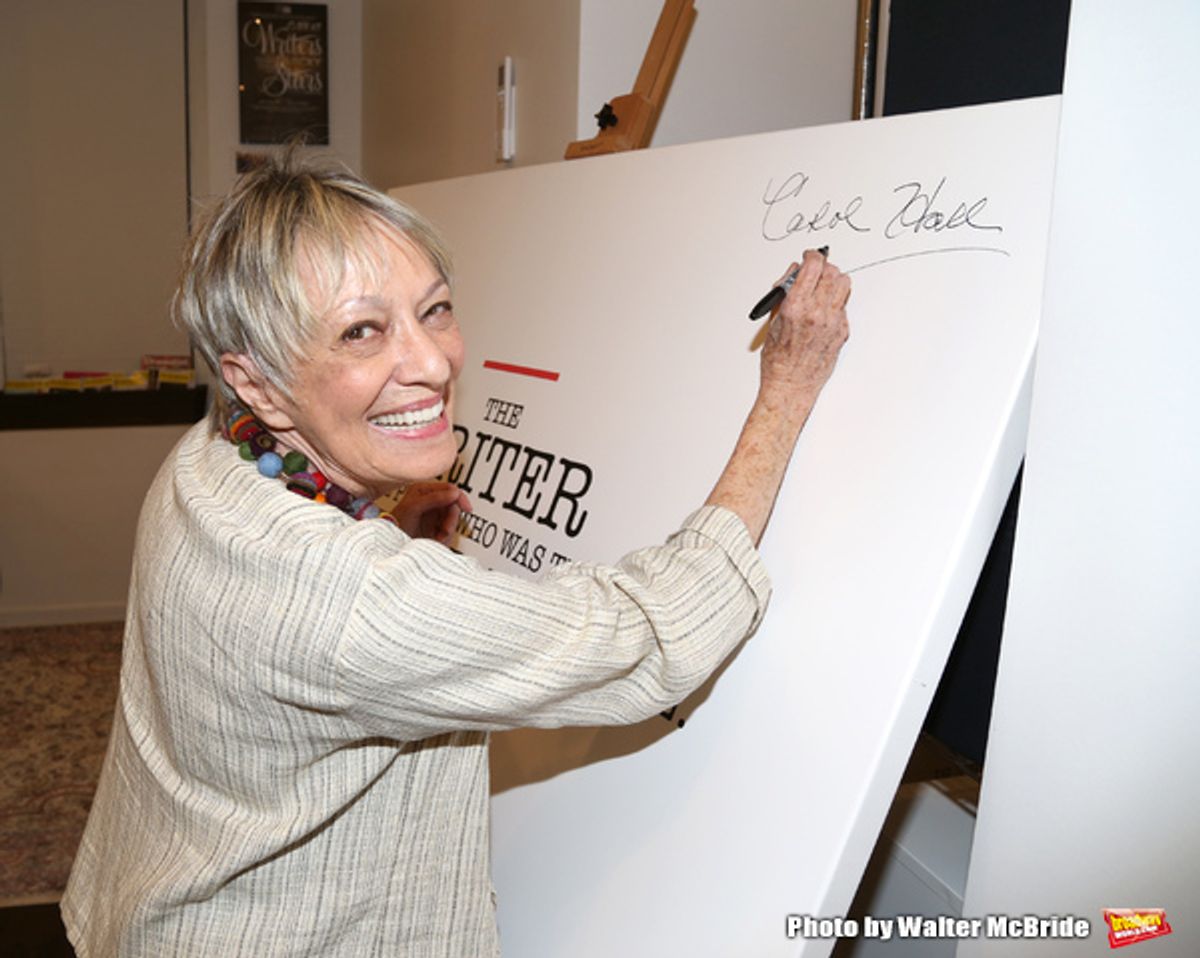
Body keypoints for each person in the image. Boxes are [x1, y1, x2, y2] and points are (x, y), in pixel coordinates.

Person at [62, 154, 850, 956]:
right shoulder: (360, 602)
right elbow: (651, 633)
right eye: (361, 331)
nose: (434, 365)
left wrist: (372, 518)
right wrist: (784, 395)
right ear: (257, 382)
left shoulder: (207, 458)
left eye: (434, 310)